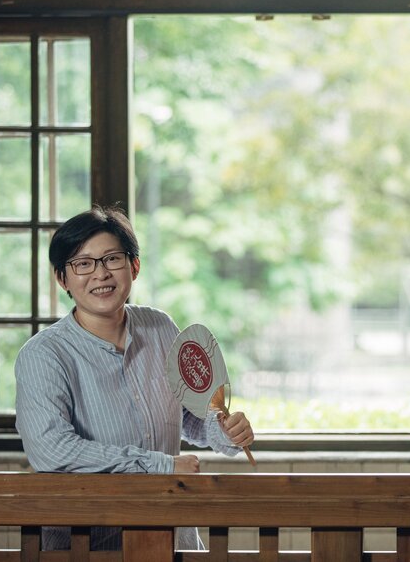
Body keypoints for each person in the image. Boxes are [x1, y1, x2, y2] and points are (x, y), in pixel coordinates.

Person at [15, 205, 254, 551]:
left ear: (134, 266)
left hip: (174, 540)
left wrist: (225, 429)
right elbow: (53, 451)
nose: (100, 274)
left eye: (112, 259)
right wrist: (161, 466)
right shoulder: (43, 355)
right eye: (83, 264)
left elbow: (190, 417)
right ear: (62, 279)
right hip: (88, 547)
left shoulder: (160, 327)